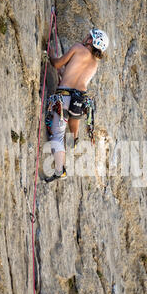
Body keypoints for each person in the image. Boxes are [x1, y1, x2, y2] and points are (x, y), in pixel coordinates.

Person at [44, 28, 109, 183]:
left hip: (64, 97)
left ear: (91, 41)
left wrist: (50, 55)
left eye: (89, 36)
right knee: (74, 117)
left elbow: (57, 63)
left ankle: (60, 170)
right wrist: (64, 74)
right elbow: (75, 76)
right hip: (79, 100)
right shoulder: (94, 64)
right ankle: (74, 138)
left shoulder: (78, 48)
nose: (85, 36)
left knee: (57, 136)